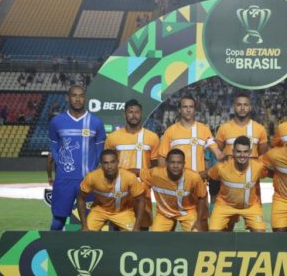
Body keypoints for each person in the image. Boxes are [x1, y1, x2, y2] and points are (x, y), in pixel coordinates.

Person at [48, 84, 106, 231]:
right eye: (74, 95)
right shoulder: (56, 122)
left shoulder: (96, 123)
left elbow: (101, 153)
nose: (77, 99)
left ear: (85, 98)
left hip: (88, 181)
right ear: (68, 98)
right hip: (64, 180)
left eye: (81, 95)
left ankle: (90, 252)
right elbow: (53, 149)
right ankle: (53, 252)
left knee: (91, 224)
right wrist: (60, 167)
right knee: (57, 221)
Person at [105, 99, 160, 229]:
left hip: (142, 191)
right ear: (125, 114)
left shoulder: (152, 137)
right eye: (130, 112)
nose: (134, 115)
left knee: (142, 229)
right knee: (117, 230)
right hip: (119, 190)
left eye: (137, 112)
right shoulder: (113, 137)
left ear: (141, 114)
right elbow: (106, 165)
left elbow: (155, 167)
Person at [208, 136, 268, 232]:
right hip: (225, 205)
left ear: (250, 152)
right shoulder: (221, 167)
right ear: (233, 151)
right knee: (213, 233)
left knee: (260, 234)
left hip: (250, 206)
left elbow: (270, 175)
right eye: (239, 151)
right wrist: (213, 199)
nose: (242, 155)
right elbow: (211, 177)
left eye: (245, 151)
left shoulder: (258, 167)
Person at [140, 149, 208, 232]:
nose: (176, 166)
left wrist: (199, 220)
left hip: (188, 212)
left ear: (184, 164)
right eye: (172, 162)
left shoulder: (194, 177)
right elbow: (138, 172)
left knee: (196, 234)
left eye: (179, 163)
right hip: (164, 213)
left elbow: (202, 197)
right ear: (167, 163)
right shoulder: (155, 173)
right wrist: (122, 171)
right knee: (155, 238)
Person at [77, 149, 145, 232]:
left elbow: (141, 200)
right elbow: (80, 198)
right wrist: (84, 226)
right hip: (100, 210)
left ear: (117, 162)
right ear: (101, 164)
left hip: (123, 211)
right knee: (87, 233)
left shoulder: (129, 177)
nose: (109, 166)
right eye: (106, 163)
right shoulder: (92, 177)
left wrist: (137, 228)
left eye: (112, 162)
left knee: (132, 235)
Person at [158, 95, 223, 174]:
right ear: (179, 110)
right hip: (176, 183)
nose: (188, 110)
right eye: (185, 107)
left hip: (199, 182)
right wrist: (165, 178)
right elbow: (162, 157)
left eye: (191, 107)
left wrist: (230, 161)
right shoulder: (170, 131)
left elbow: (217, 153)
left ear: (195, 110)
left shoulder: (204, 129)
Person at [215, 93, 269, 158]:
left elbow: (263, 157)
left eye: (246, 105)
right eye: (239, 105)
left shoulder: (260, 129)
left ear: (250, 107)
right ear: (234, 107)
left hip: (252, 168)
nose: (242, 108)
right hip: (230, 168)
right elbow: (217, 156)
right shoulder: (223, 128)